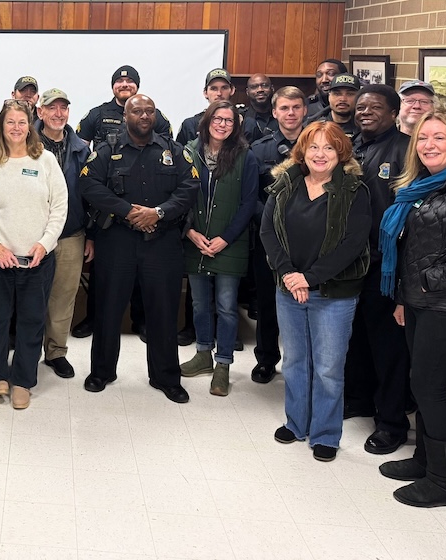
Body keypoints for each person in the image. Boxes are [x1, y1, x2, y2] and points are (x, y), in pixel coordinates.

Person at [261, 121, 371, 462]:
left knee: (328, 368)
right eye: (313, 147)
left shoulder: (354, 190)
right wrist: (289, 274)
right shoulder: (285, 185)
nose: (320, 154)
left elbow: (353, 243)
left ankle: (325, 434)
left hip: (334, 293)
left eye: (328, 147)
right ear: (302, 152)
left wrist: (308, 278)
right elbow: (268, 232)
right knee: (295, 361)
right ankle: (296, 423)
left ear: (341, 152)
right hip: (289, 289)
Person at [78, 94, 199, 402]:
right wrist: (128, 211)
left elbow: (190, 186)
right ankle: (102, 371)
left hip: (162, 242)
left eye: (149, 111)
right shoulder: (107, 150)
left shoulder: (174, 151)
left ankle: (165, 377)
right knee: (107, 309)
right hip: (117, 241)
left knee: (163, 312)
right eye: (137, 111)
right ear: (125, 116)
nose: (144, 116)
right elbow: (89, 185)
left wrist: (158, 213)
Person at [378, 109, 446, 508]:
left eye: (439, 137)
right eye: (423, 138)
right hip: (416, 300)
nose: (429, 145)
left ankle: (443, 483)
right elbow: (410, 249)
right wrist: (403, 296)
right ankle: (425, 460)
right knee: (420, 383)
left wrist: (431, 280)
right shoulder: (421, 187)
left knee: (429, 388)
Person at [0, 100, 68, 410]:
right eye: (9, 122)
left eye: (21, 122)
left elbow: (59, 207)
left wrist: (45, 243)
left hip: (37, 260)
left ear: (30, 126)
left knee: (32, 320)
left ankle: (24, 380)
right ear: (1, 126)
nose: (16, 127)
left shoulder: (46, 161)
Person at [73, 65, 170, 342]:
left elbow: (166, 153)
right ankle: (94, 318)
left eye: (130, 81)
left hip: (147, 197)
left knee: (142, 269)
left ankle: (141, 321)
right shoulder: (96, 114)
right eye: (120, 81)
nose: (124, 84)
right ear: (113, 86)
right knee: (102, 269)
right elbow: (80, 150)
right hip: (107, 201)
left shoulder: (156, 116)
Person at [343, 84, 412, 455]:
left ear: (394, 113)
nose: (365, 112)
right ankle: (359, 399)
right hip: (352, 261)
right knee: (357, 338)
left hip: (387, 264)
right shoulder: (351, 146)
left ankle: (391, 423)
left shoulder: (406, 150)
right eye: (361, 107)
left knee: (388, 347)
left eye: (374, 107)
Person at [180, 101, 258, 396]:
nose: (222, 124)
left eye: (229, 120)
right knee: (199, 304)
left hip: (230, 243)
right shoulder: (189, 152)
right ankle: (203, 354)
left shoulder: (245, 156)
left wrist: (225, 238)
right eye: (217, 119)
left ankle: (223, 363)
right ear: (207, 121)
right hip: (196, 240)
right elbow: (179, 196)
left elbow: (248, 203)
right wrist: (189, 232)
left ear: (236, 126)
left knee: (226, 307)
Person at [248, 86, 308, 383]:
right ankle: (266, 358)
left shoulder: (319, 144)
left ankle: (305, 363)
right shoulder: (260, 149)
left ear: (305, 110)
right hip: (269, 238)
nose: (290, 113)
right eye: (284, 108)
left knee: (308, 299)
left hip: (310, 239)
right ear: (274, 112)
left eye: (296, 107)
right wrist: (272, 222)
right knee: (267, 300)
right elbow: (251, 196)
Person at [36, 88, 92, 379]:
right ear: (40, 111)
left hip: (71, 234)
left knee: (63, 298)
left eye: (63, 108)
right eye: (52, 108)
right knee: (32, 296)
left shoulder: (82, 149)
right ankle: (29, 350)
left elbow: (90, 195)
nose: (58, 114)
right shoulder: (24, 144)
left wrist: (91, 235)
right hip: (32, 235)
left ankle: (56, 352)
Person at [176, 68, 261, 146]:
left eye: (224, 88)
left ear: (232, 90)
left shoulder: (247, 124)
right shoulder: (190, 125)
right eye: (214, 88)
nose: (219, 93)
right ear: (205, 92)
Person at [313, 73, 361, 141]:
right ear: (329, 96)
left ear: (359, 97)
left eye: (350, 94)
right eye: (337, 94)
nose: (343, 99)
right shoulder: (314, 126)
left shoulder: (365, 126)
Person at [242, 73, 278, 137]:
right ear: (247, 92)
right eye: (254, 87)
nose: (260, 90)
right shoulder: (241, 117)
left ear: (272, 89)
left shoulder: (281, 115)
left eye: (264, 85)